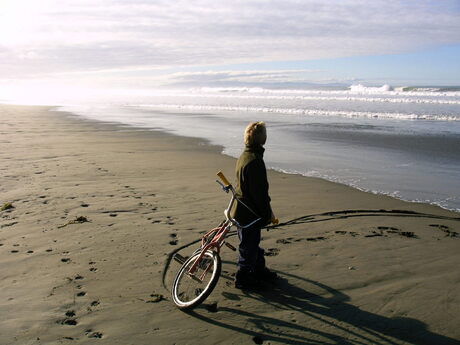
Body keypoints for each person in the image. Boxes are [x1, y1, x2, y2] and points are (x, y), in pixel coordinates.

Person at [231, 121, 277, 290]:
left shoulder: (244, 155)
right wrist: (267, 215)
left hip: (241, 208)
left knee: (251, 242)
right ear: (262, 139)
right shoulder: (255, 161)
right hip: (249, 212)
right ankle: (243, 277)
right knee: (249, 245)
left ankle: (259, 268)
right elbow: (260, 194)